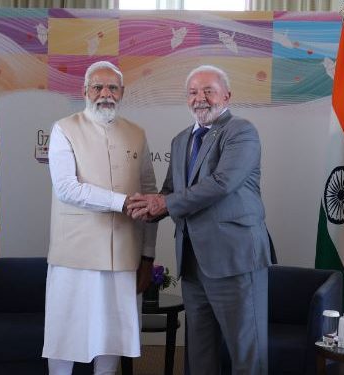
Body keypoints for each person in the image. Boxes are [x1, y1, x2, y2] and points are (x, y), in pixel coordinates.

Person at [127, 65, 271, 375]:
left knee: (247, 353)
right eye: (193, 92)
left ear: (227, 95)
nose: (200, 98)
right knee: (200, 354)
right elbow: (170, 192)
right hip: (193, 264)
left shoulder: (241, 132)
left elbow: (221, 183)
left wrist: (164, 202)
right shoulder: (181, 140)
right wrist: (145, 206)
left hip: (236, 260)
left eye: (208, 91)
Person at [42, 61, 157, 375]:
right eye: (98, 87)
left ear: (122, 92)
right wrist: (121, 202)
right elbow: (66, 188)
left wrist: (147, 255)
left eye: (113, 87)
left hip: (124, 257)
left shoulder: (137, 133)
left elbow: (149, 194)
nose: (105, 94)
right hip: (74, 256)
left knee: (112, 341)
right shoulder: (64, 128)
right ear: (84, 91)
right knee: (64, 338)